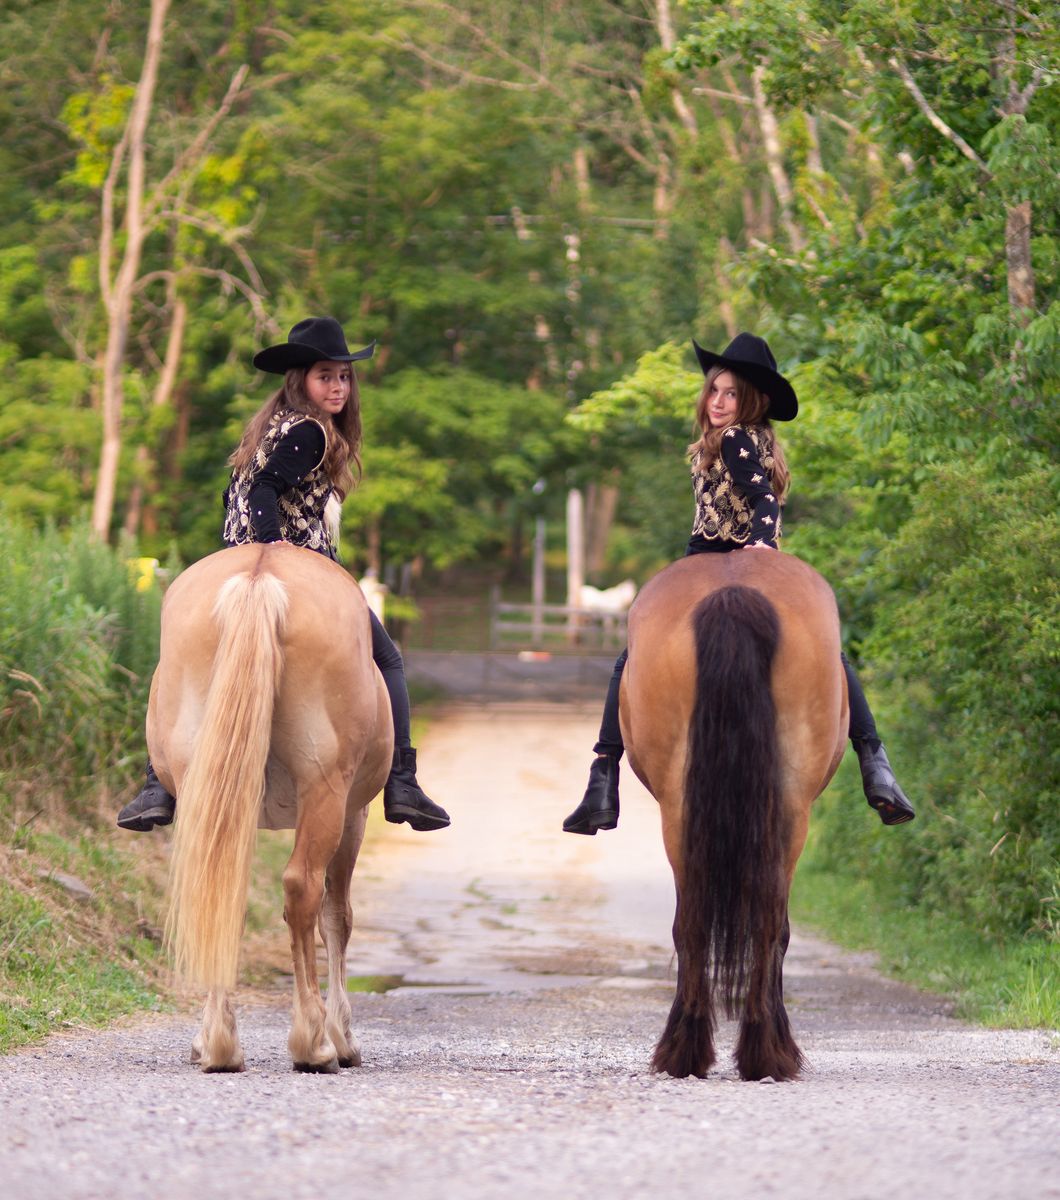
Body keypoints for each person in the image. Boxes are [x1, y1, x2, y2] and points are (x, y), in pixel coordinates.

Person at [562, 332, 915, 835]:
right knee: (833, 656)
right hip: (747, 554)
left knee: (633, 654)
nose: (720, 402)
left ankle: (603, 772)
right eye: (714, 391)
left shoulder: (731, 438)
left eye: (732, 394)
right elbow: (765, 490)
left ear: (755, 402)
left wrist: (761, 544)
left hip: (716, 555)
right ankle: (874, 759)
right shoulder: (762, 439)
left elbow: (763, 500)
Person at [117, 316, 450, 834]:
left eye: (343, 376)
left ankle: (156, 781)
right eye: (325, 376)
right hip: (295, 560)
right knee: (389, 658)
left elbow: (236, 493)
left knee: (174, 667)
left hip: (234, 554)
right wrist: (276, 547)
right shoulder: (312, 432)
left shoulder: (269, 426)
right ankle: (403, 778)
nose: (338, 387)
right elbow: (262, 490)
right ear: (300, 380)